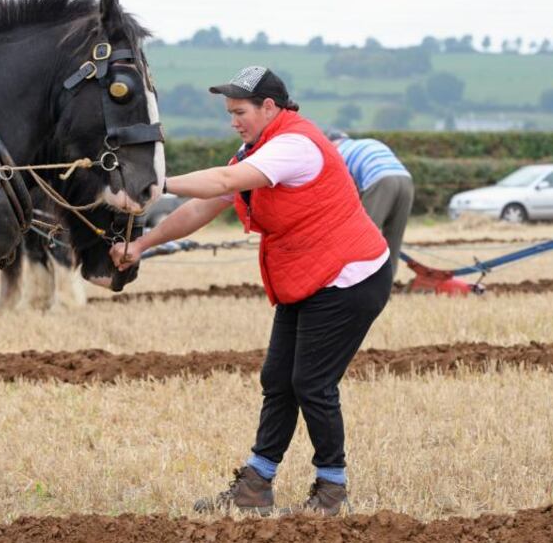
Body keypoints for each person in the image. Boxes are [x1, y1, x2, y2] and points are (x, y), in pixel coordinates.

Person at [110, 66, 392, 515]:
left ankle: (332, 488)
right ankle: (255, 486)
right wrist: (142, 244)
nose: (233, 121)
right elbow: (206, 203)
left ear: (270, 107)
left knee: (312, 383)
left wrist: (154, 185)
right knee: (277, 380)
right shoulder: (254, 150)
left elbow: (222, 183)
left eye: (240, 111)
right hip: (308, 276)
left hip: (349, 277)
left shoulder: (294, 146)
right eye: (229, 113)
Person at [324, 129, 413, 274]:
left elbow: (346, 193)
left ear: (330, 143)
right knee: (394, 239)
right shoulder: (365, 143)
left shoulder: (336, 153)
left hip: (379, 181)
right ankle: (389, 282)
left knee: (362, 238)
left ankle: (359, 281)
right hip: (405, 180)